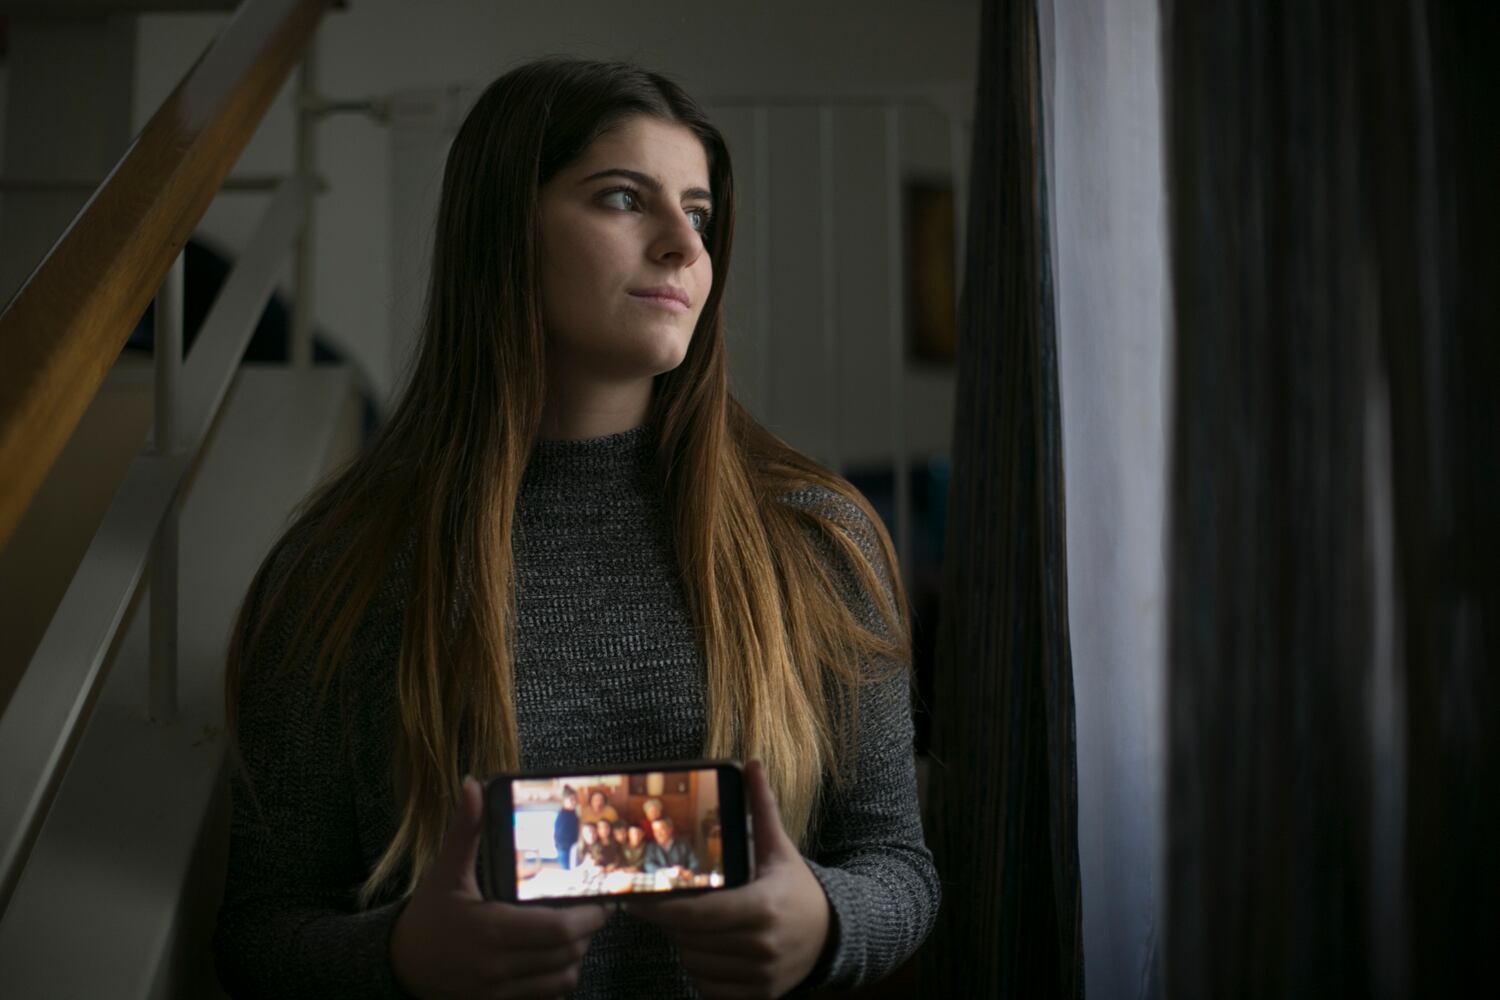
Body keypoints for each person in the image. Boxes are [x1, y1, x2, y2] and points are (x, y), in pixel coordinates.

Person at [213, 57, 937, 999]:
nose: (684, 245)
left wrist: (825, 924)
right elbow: (259, 931)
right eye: (623, 199)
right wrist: (398, 957)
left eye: (702, 214)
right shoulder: (337, 569)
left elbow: (899, 865)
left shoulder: (817, 539)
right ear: (502, 229)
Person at [554, 786, 581, 870]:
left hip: (571, 848)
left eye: (575, 799)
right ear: (564, 800)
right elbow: (561, 837)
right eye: (571, 799)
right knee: (568, 872)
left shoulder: (572, 812)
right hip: (565, 850)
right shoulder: (563, 815)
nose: (574, 802)